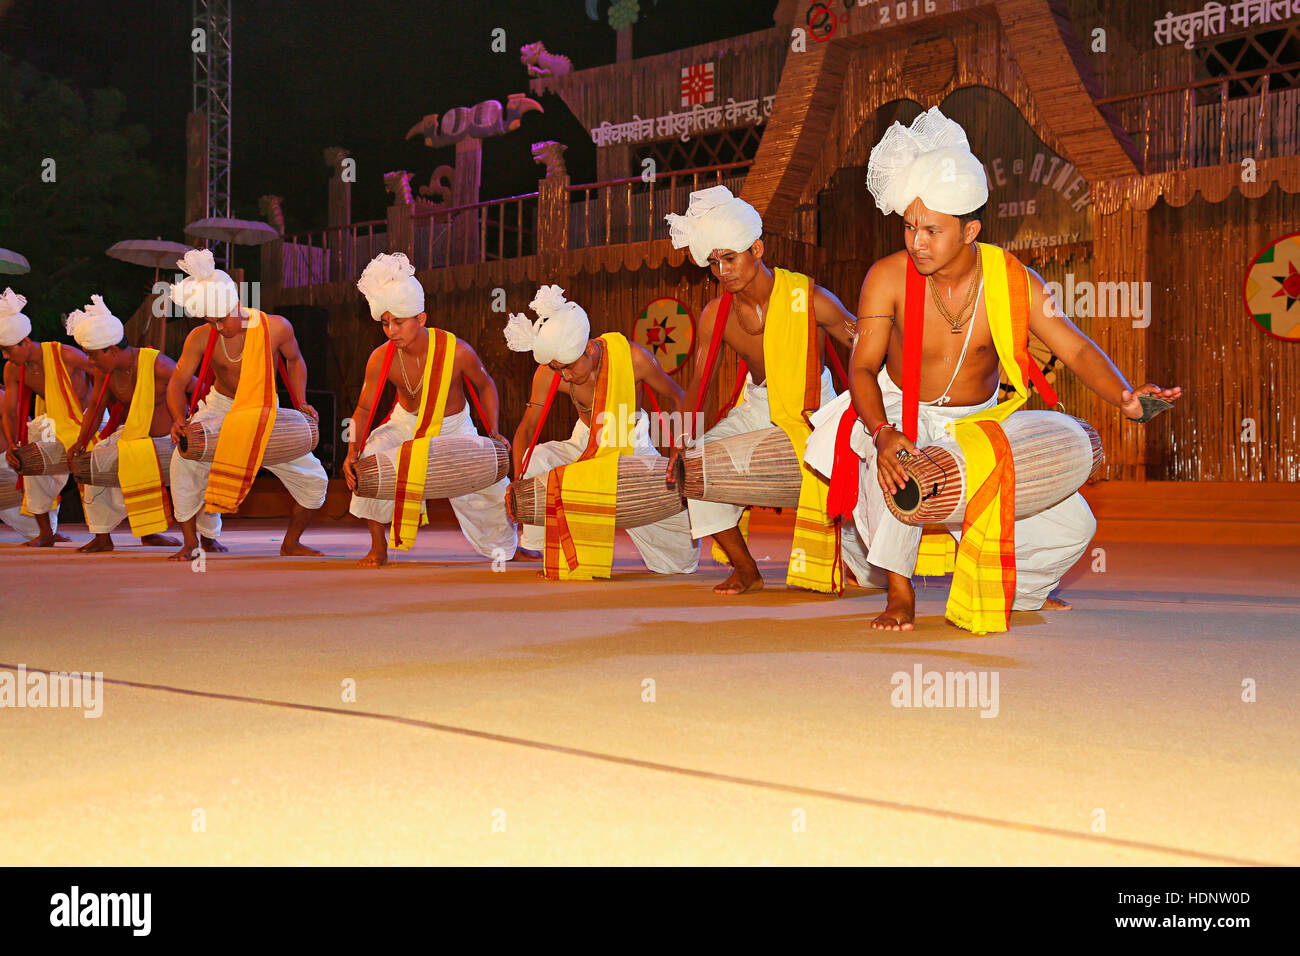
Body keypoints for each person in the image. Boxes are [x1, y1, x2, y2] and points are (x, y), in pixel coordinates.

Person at [806, 106, 1182, 633]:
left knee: (1073, 526)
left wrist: (1124, 397)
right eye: (911, 227)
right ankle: (899, 590)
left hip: (980, 422)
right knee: (897, 466)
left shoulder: (1014, 280)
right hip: (895, 409)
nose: (916, 241)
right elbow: (863, 369)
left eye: (931, 231)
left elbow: (1074, 349)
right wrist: (885, 432)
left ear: (969, 230)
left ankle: (1018, 588)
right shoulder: (886, 277)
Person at [662, 186, 873, 595]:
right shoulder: (716, 314)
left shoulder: (808, 298)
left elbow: (865, 343)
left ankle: (854, 551)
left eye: (730, 257)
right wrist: (680, 438)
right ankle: (746, 569)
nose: (723, 270)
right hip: (758, 403)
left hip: (816, 403)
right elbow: (697, 387)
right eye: (714, 262)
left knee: (866, 564)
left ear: (756, 249)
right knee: (695, 465)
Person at [506, 285, 699, 579]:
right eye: (558, 370)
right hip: (583, 443)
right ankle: (539, 543)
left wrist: (681, 443)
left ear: (587, 348)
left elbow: (679, 396)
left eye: (568, 368)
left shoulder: (634, 359)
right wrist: (517, 480)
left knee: (680, 563)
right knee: (538, 458)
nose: (565, 376)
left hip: (630, 446)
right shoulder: (551, 371)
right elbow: (528, 427)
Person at [343, 252, 516, 568]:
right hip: (404, 423)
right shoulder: (380, 357)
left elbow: (486, 385)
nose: (391, 330)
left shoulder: (457, 351)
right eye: (385, 323)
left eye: (398, 322)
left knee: (489, 486)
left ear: (420, 319)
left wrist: (493, 431)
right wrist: (352, 449)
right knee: (371, 458)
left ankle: (506, 545)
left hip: (453, 428)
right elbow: (364, 408)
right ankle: (378, 547)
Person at [165, 249, 326, 560]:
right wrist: (178, 418)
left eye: (223, 319)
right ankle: (190, 544)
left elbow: (295, 361)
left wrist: (301, 401)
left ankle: (291, 543)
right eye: (212, 322)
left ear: (236, 304)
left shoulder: (275, 327)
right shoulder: (200, 337)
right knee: (184, 461)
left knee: (314, 478)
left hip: (264, 407)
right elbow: (176, 381)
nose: (220, 328)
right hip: (219, 407)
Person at [0, 287, 123, 548]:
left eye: (8, 349)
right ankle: (46, 532)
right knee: (30, 460)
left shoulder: (64, 354)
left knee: (93, 463)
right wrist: (12, 444)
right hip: (52, 425)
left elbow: (104, 370)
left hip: (91, 420)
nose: (5, 356)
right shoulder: (13, 369)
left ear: (24, 342)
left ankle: (105, 536)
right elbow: (9, 411)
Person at [65, 295, 185, 553]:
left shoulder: (159, 366)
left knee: (129, 459)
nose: (91, 361)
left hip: (166, 441)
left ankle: (152, 532)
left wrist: (184, 424)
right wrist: (81, 441)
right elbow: (95, 407)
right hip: (134, 436)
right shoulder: (103, 371)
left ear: (112, 349)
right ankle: (102, 536)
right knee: (93, 461)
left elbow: (196, 388)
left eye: (94, 355)